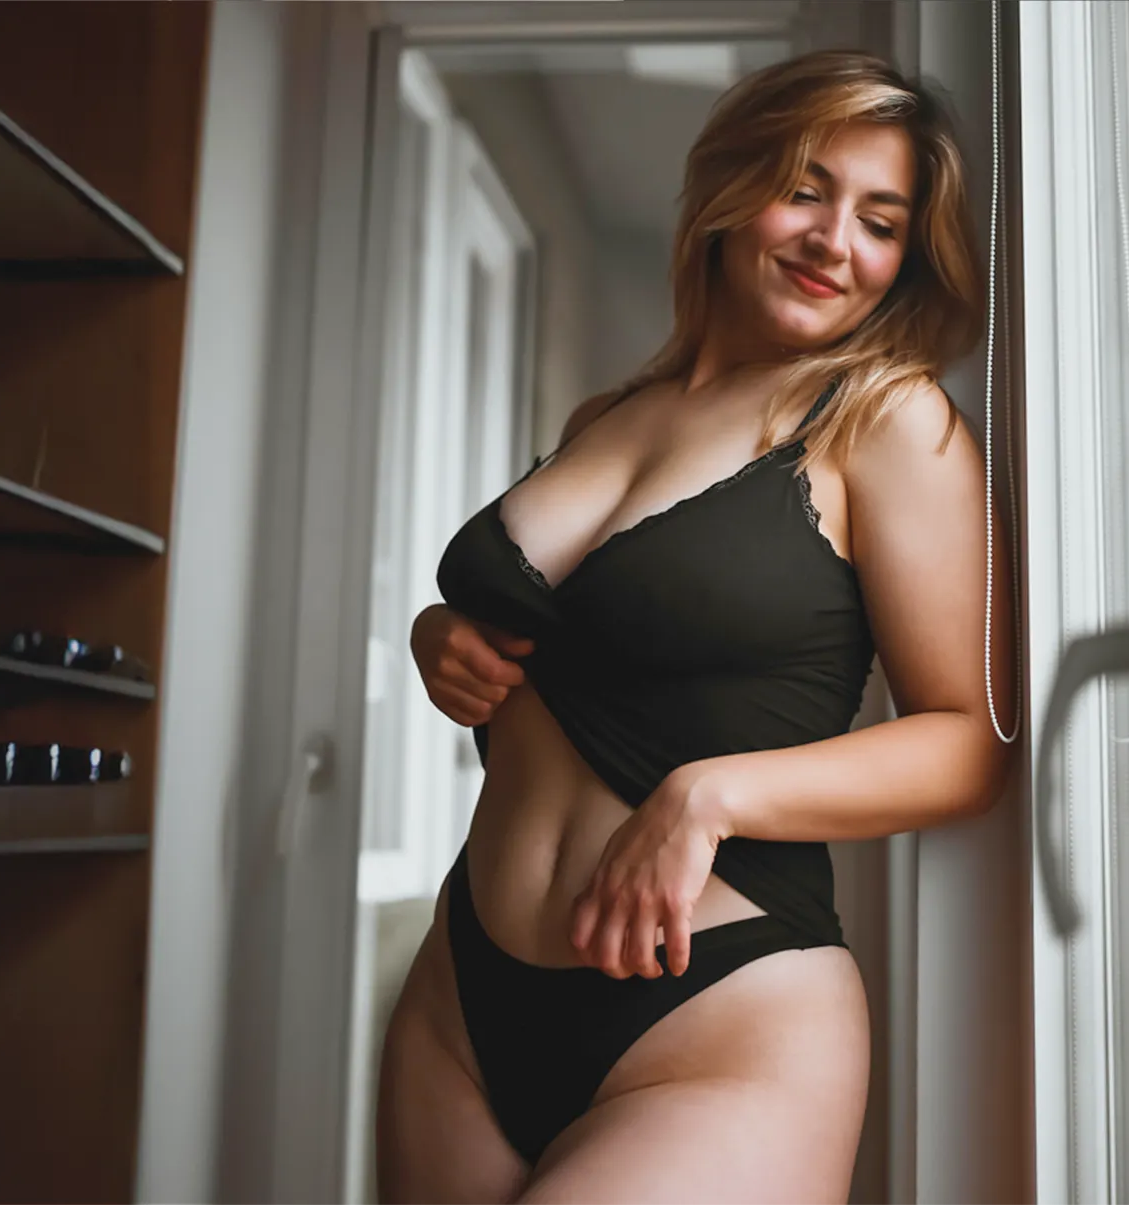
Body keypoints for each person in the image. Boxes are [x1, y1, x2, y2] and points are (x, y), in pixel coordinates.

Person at [373, 51, 1016, 1205]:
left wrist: (707, 795)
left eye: (880, 221)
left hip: (715, 1015)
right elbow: (574, 633)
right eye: (806, 188)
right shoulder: (605, 415)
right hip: (461, 1001)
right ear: (731, 184)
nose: (836, 241)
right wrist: (439, 632)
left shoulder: (885, 423)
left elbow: (966, 741)